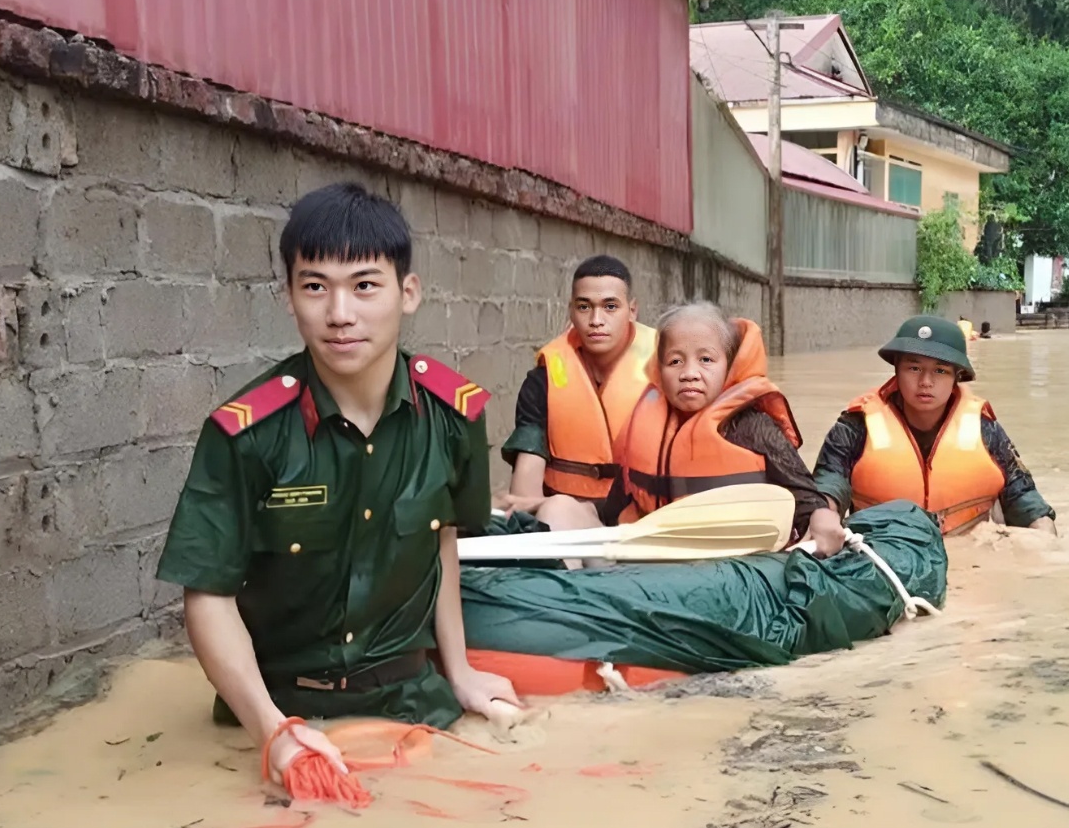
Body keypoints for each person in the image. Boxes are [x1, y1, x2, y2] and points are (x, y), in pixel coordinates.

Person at [155, 183, 518, 784]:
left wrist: (459, 671)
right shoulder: (246, 433)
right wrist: (271, 732)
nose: (340, 313)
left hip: (414, 705)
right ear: (289, 297)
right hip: (275, 715)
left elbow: (442, 541)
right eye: (315, 286)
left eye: (365, 285)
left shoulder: (456, 418)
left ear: (409, 293)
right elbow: (208, 594)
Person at [533, 302, 848, 556]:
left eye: (706, 359)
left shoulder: (753, 427)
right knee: (560, 506)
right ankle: (556, 590)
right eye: (675, 362)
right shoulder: (643, 424)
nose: (690, 373)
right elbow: (617, 507)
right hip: (649, 557)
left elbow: (808, 500)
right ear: (659, 369)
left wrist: (823, 517)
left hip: (726, 566)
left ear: (729, 367)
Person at [813, 316, 1055, 537]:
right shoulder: (856, 425)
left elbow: (1022, 495)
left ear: (956, 377)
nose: (925, 382)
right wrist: (823, 516)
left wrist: (1045, 533)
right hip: (883, 551)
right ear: (896, 370)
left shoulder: (986, 429)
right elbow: (829, 481)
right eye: (914, 368)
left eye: (940, 370)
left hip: (970, 553)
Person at [497, 256, 656, 513]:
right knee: (554, 512)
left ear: (632, 311)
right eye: (584, 307)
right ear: (571, 310)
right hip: (572, 518)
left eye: (610, 307)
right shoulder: (542, 381)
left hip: (644, 517)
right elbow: (524, 494)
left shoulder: (667, 368)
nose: (596, 320)